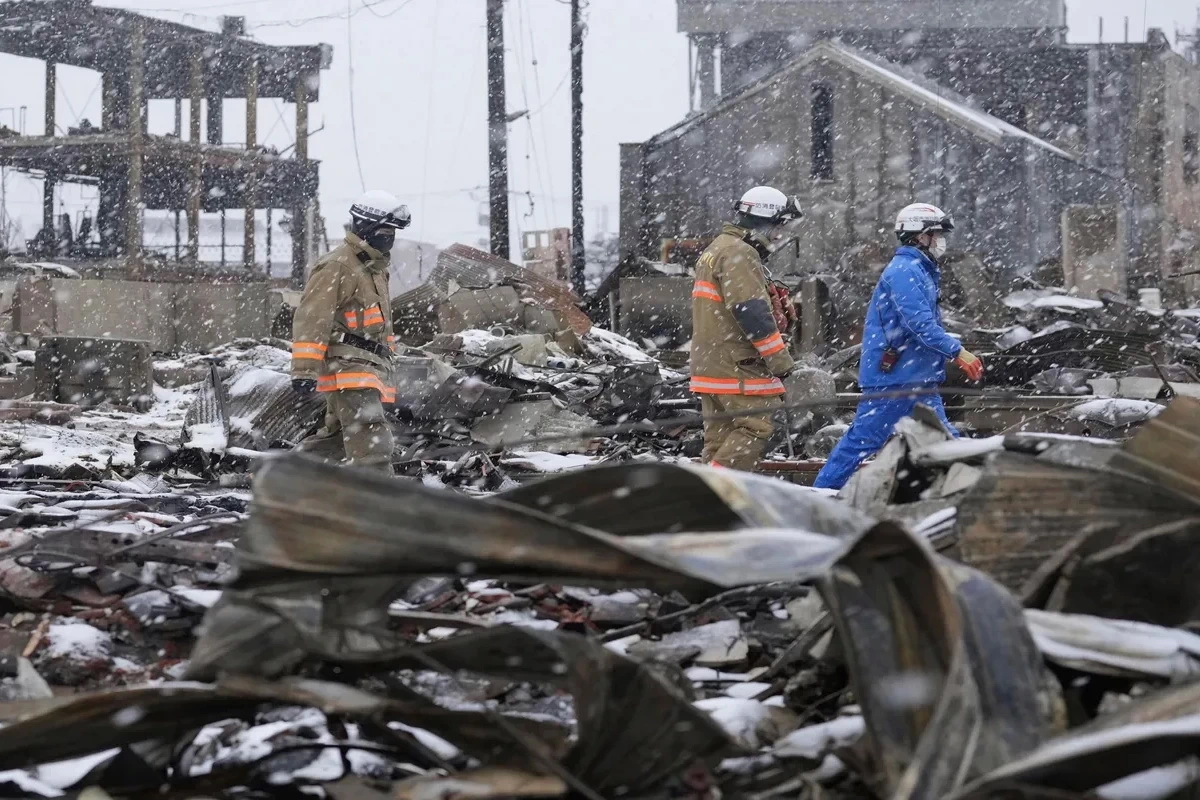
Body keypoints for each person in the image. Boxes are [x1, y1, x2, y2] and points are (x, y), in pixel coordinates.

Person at [814, 203, 984, 490]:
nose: (942, 240)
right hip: (896, 380)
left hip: (914, 377)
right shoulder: (905, 271)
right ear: (920, 236)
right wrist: (958, 352)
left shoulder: (919, 269)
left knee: (944, 441)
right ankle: (820, 495)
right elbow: (920, 325)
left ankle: (971, 490)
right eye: (937, 233)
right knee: (861, 443)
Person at [290, 191, 411, 472]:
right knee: (372, 441)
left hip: (370, 367)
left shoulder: (374, 268)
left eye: (393, 231)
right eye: (384, 230)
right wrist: (304, 370)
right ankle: (381, 502)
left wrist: (390, 367)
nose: (389, 236)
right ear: (365, 227)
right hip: (349, 368)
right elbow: (311, 319)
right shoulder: (337, 265)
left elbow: (380, 328)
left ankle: (288, 478)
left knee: (334, 442)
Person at [691, 186, 803, 471]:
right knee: (756, 427)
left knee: (719, 439)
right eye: (779, 226)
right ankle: (720, 491)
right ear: (764, 221)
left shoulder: (717, 248)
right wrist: (781, 361)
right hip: (737, 364)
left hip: (711, 364)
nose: (779, 235)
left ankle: (708, 502)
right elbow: (751, 313)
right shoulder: (739, 253)